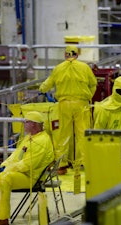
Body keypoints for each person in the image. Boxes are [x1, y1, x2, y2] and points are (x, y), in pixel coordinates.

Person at [0, 111, 55, 225]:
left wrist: (8, 169)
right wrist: (4, 165)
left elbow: (28, 164)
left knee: (4, 178)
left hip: (32, 177)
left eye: (26, 122)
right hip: (22, 172)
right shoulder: (30, 137)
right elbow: (16, 155)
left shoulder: (42, 141)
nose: (24, 124)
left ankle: (1, 219)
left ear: (33, 124)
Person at [39, 45, 97, 174]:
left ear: (65, 55)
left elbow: (47, 84)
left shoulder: (58, 69)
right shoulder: (85, 68)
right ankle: (84, 162)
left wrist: (41, 90)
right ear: (77, 54)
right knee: (83, 134)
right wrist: (87, 97)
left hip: (64, 105)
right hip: (81, 105)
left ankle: (62, 164)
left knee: (63, 134)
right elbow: (93, 85)